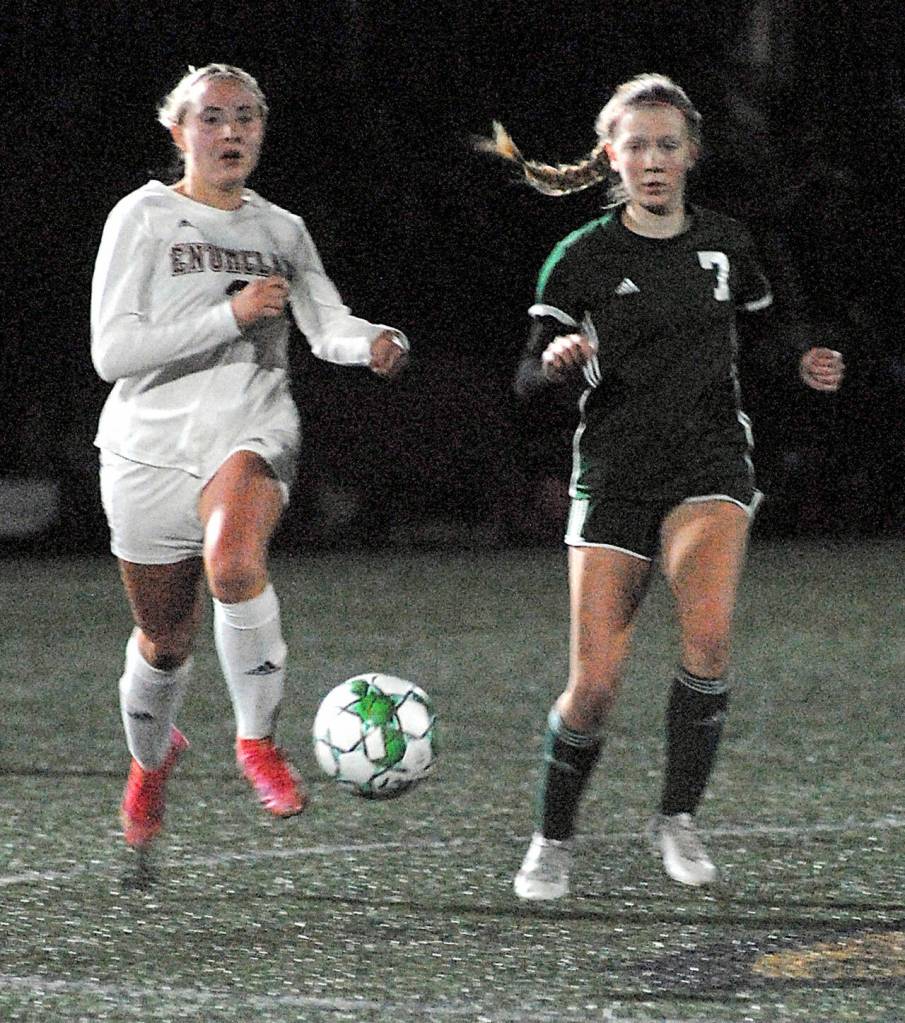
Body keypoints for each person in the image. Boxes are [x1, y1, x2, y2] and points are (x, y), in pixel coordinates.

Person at [479, 73, 843, 898]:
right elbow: (525, 378)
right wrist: (555, 361)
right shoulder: (581, 257)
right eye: (636, 145)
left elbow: (764, 332)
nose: (652, 159)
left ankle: (676, 816)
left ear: (690, 155)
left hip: (711, 463)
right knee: (594, 686)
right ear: (610, 155)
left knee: (707, 637)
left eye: (667, 145)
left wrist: (801, 360)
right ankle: (553, 837)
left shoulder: (726, 242)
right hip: (613, 473)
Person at [91, 64, 409, 852]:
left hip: (249, 423)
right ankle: (151, 763)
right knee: (164, 642)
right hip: (146, 445)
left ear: (262, 129)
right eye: (211, 118)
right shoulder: (142, 217)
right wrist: (228, 315)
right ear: (178, 132)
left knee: (234, 562)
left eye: (245, 117)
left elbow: (323, 323)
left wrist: (372, 342)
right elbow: (112, 353)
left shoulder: (282, 231)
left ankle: (256, 740)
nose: (230, 132)